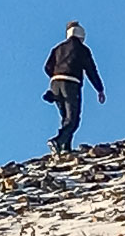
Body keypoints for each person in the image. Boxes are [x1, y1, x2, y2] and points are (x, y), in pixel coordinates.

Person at [44, 21, 105, 154]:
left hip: (55, 83)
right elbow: (91, 70)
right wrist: (99, 89)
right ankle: (58, 141)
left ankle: (65, 148)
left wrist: (55, 76)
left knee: (65, 117)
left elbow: (47, 67)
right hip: (71, 82)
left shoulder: (58, 48)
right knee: (73, 119)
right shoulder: (83, 50)